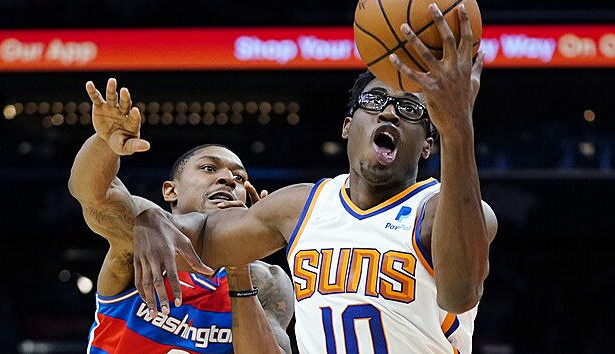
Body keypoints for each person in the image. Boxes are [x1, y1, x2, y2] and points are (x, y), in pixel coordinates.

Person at [133, 4, 497, 353]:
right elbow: (199, 236)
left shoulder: (445, 212)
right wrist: (151, 218)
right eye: (374, 102)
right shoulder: (300, 207)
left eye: (410, 109)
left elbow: (460, 292)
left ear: (427, 145)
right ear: (348, 126)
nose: (389, 112)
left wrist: (457, 129)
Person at [68, 78, 295, 353]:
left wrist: (239, 264)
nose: (228, 179)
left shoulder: (267, 279)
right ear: (170, 191)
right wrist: (104, 144)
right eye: (209, 169)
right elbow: (93, 196)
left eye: (238, 177)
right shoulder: (143, 236)